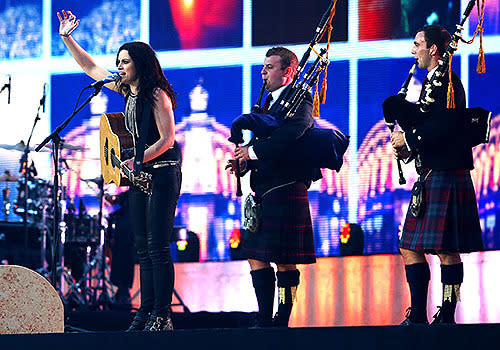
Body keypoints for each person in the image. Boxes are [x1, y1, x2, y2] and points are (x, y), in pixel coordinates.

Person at [58, 10, 182, 331]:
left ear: (140, 64)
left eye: (125, 61)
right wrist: (67, 38)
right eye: (119, 61)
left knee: (157, 245)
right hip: (141, 175)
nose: (119, 67)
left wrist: (137, 160)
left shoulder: (157, 95)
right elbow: (90, 68)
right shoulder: (128, 92)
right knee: (142, 246)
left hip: (163, 171)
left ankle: (161, 314)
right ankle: (144, 312)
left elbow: (168, 139)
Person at [388, 25, 483, 325]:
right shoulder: (432, 81)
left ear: (433, 49)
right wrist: (409, 144)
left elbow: (445, 126)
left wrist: (410, 140)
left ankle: (447, 316)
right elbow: (429, 124)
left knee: (445, 249)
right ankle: (418, 315)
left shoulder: (449, 81)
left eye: (417, 44)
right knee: (409, 247)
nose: (412, 50)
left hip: (447, 172)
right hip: (431, 172)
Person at [229, 47, 318, 328]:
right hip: (266, 188)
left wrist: (251, 152)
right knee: (256, 257)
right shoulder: (269, 103)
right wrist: (245, 163)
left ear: (288, 71)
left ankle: (281, 319)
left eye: (269, 67)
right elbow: (267, 145)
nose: (263, 72)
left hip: (287, 187)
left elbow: (291, 136)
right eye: (263, 67)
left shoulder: (300, 99)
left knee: (284, 261)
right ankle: (265, 318)